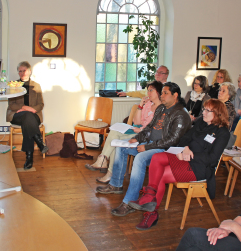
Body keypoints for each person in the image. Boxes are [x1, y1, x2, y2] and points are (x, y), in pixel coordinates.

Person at [128, 99, 230, 230]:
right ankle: (149, 196)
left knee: (162, 175)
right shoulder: (200, 123)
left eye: (207, 110)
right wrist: (185, 148)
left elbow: (212, 158)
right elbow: (185, 138)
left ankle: (151, 212)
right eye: (203, 109)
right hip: (184, 157)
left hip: (199, 167)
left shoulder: (223, 133)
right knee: (157, 157)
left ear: (217, 113)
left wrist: (190, 155)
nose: (203, 112)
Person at [96, 82, 191, 217]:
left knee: (140, 158)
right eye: (162, 92)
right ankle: (116, 184)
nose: (162, 96)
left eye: (165, 93)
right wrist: (138, 138)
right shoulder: (161, 109)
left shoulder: (181, 114)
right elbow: (149, 128)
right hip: (152, 143)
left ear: (175, 95)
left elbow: (172, 141)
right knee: (121, 147)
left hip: (166, 150)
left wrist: (147, 147)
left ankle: (129, 202)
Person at [85, 81, 163, 183]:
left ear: (158, 92)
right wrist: (140, 106)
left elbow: (156, 128)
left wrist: (141, 130)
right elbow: (137, 121)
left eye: (151, 90)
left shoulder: (162, 109)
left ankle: (107, 170)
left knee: (115, 141)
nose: (148, 93)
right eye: (148, 90)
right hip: (138, 131)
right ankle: (103, 161)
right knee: (113, 132)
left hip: (145, 135)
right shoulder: (148, 104)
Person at [6, 61, 47, 170]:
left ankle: (29, 157)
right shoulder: (13, 85)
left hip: (33, 115)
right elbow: (11, 105)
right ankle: (39, 142)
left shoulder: (36, 86)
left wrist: (31, 109)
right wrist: (24, 108)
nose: (22, 73)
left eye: (24, 70)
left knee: (28, 120)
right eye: (20, 71)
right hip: (17, 115)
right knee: (27, 117)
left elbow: (41, 104)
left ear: (29, 71)